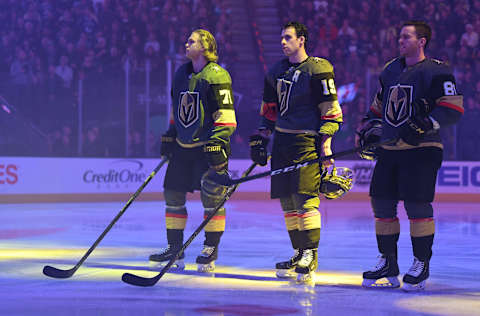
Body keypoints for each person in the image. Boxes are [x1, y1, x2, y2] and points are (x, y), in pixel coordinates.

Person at [357, 21, 464, 291]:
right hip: (390, 150)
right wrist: (372, 128)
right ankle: (388, 263)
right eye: (399, 36)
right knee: (381, 204)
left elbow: (452, 108)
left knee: (417, 206)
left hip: (422, 149)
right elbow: (378, 107)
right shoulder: (390, 69)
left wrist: (427, 123)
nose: (400, 40)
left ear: (422, 41)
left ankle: (420, 263)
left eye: (406, 36)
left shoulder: (437, 71)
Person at [249, 21, 343, 283]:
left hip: (306, 142)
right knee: (287, 202)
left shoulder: (318, 68)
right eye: (281, 37)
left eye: (288, 37)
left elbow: (331, 109)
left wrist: (325, 144)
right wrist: (261, 138)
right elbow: (269, 110)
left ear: (301, 40)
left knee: (305, 199)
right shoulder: (275, 71)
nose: (282, 42)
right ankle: (299, 252)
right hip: (281, 143)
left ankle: (311, 254)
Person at [149, 29, 236, 272]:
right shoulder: (181, 74)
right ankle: (175, 248)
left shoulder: (217, 75)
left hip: (207, 148)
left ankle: (210, 248)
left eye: (191, 41)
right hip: (182, 148)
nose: (186, 44)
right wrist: (170, 133)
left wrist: (217, 143)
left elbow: (226, 117)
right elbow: (178, 109)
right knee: (173, 195)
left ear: (206, 46)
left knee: (212, 200)